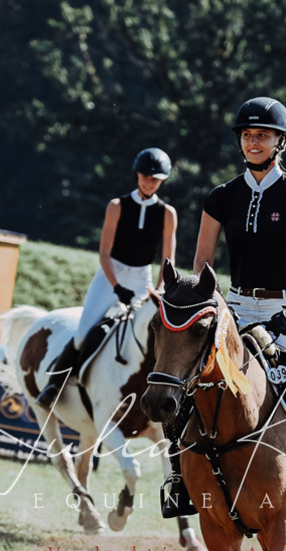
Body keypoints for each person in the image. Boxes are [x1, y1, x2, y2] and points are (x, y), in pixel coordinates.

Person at [189, 95, 286, 523]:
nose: (253, 142)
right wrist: (215, 306)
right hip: (236, 307)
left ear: (280, 141)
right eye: (247, 135)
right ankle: (178, 480)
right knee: (188, 377)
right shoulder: (222, 196)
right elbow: (202, 261)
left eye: (262, 135)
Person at [37, 148, 177, 411]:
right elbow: (103, 251)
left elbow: (167, 259)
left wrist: (158, 290)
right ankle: (54, 385)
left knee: (149, 336)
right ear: (137, 174)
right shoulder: (117, 205)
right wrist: (116, 287)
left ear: (163, 181)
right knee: (82, 334)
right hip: (110, 273)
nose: (149, 181)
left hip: (141, 277)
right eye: (145, 176)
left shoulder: (167, 213)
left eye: (155, 178)